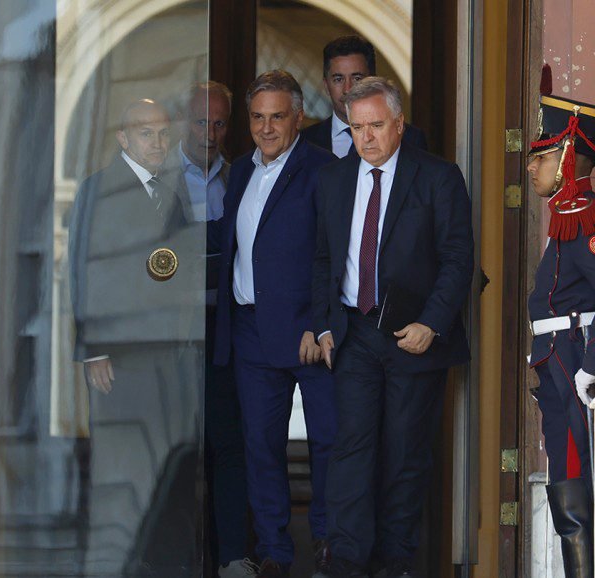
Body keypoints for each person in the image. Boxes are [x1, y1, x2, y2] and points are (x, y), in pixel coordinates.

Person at [312, 77, 473, 577]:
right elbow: (322, 259)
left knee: (404, 452)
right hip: (354, 331)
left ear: (399, 124)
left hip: (412, 334)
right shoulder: (333, 179)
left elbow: (457, 259)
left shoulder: (438, 177)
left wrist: (432, 323)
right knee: (351, 449)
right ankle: (346, 558)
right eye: (356, 127)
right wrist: (324, 326)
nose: (366, 138)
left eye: (376, 126)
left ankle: (394, 561)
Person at [68, 99, 201, 576]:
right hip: (120, 354)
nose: (158, 143)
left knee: (162, 457)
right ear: (123, 138)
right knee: (121, 461)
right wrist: (94, 349)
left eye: (164, 134)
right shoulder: (99, 188)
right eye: (147, 134)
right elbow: (82, 268)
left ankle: (158, 559)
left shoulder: (170, 189)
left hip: (166, 351)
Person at [213, 70, 337, 578]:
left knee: (328, 442)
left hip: (309, 334)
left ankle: (328, 543)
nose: (266, 128)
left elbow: (337, 254)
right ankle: (274, 553)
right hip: (251, 331)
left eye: (277, 117)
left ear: (298, 118)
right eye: (257, 117)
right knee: (261, 446)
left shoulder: (324, 169)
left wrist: (320, 323)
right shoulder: (240, 170)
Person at [167, 82, 252, 577]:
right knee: (175, 450)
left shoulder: (241, 177)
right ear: (185, 121)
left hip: (225, 331)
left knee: (229, 445)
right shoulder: (158, 176)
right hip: (171, 334)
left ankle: (232, 557)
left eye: (219, 123)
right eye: (201, 122)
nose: (210, 133)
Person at [526, 92, 595, 578]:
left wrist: (592, 365)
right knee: (566, 476)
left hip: (576, 359)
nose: (532, 168)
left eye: (543, 157)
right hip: (557, 359)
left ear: (571, 156)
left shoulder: (585, 214)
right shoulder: (566, 213)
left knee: (580, 472)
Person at [301, 35, 427, 158]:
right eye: (338, 79)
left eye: (357, 78)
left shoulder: (411, 138)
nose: (347, 89)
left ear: (373, 81)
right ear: (326, 85)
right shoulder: (304, 140)